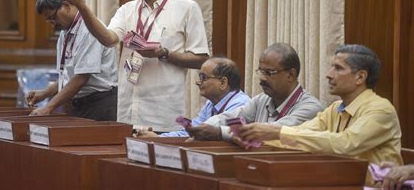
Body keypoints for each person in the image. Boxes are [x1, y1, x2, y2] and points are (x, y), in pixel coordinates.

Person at [63, 0, 209, 132]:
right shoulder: (127, 10)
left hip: (163, 114)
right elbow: (108, 39)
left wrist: (164, 54)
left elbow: (201, 59)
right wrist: (82, 7)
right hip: (128, 112)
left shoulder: (186, 8)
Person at [235, 44, 403, 185]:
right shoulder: (335, 108)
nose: (328, 74)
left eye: (338, 68)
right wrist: (255, 137)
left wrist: (276, 132)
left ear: (360, 77)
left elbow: (346, 144)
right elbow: (302, 133)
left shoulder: (381, 110)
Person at [186, 43, 324, 141]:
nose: (262, 78)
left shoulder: (311, 108)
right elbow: (231, 118)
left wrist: (219, 132)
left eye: (270, 73)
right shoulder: (261, 100)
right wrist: (204, 128)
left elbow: (270, 131)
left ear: (290, 75)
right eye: (261, 71)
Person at [27, 0, 119, 121]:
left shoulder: (89, 30)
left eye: (52, 17)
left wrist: (49, 107)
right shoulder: (65, 32)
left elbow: (81, 77)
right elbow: (67, 76)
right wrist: (44, 94)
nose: (52, 23)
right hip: (78, 104)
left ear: (67, 6)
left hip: (99, 104)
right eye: (48, 20)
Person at [137, 57, 250, 137]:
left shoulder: (240, 105)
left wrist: (158, 140)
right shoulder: (211, 104)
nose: (197, 82)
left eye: (203, 77)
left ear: (223, 83)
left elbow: (203, 132)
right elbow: (190, 131)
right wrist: (158, 139)